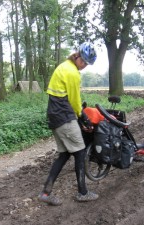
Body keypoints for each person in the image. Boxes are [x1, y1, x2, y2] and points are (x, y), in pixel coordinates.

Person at [38, 42, 98, 206]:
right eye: (83, 61)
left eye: (87, 63)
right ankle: (83, 193)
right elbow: (74, 100)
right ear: (77, 55)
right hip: (64, 116)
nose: (84, 65)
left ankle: (45, 192)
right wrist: (82, 116)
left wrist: (78, 115)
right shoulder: (73, 73)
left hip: (55, 116)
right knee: (79, 152)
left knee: (64, 155)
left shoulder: (64, 66)